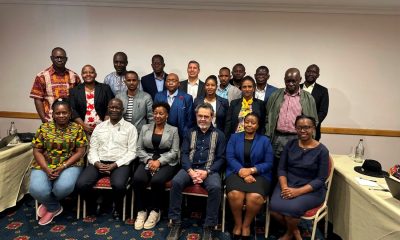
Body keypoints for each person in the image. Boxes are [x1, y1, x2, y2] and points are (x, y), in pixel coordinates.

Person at [167, 103, 226, 240]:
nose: (203, 119)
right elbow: (184, 154)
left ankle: (209, 226)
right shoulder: (190, 132)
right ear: (196, 116)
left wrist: (207, 171)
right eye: (200, 116)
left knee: (216, 187)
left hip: (210, 170)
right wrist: (191, 171)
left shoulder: (220, 135)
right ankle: (176, 223)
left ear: (212, 117)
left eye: (206, 116)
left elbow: (221, 158)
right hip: (190, 169)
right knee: (175, 182)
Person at [75, 98, 138, 220]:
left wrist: (115, 164)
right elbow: (92, 149)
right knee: (81, 184)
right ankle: (96, 204)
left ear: (122, 110)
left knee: (119, 185)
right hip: (99, 162)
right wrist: (96, 163)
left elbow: (132, 152)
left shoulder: (130, 128)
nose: (114, 110)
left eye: (117, 107)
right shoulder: (99, 127)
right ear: (108, 109)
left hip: (120, 163)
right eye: (111, 107)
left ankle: (117, 207)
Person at [270, 115, 329, 240]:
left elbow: (320, 179)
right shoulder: (290, 145)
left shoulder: (322, 150)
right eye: (299, 127)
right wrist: (285, 187)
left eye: (307, 127)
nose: (303, 131)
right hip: (288, 183)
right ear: (295, 129)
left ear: (313, 128)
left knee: (292, 208)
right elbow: (281, 169)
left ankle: (289, 234)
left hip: (311, 189)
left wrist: (297, 192)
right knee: (274, 208)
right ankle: (295, 230)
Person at [30, 99, 87, 225]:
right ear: (53, 114)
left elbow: (80, 152)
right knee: (36, 189)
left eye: (64, 112)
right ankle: (54, 207)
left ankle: (48, 203)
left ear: (70, 113)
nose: (61, 116)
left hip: (70, 164)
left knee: (63, 187)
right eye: (58, 113)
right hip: (45, 164)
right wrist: (46, 168)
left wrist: (63, 166)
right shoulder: (44, 128)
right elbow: (37, 151)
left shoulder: (77, 128)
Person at [226, 113, 273, 240]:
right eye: (247, 122)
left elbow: (269, 163)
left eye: (253, 123)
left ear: (258, 126)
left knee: (255, 196)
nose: (249, 125)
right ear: (243, 123)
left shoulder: (265, 141)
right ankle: (238, 224)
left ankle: (246, 225)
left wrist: (251, 170)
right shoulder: (234, 137)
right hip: (236, 172)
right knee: (235, 194)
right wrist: (242, 171)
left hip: (260, 174)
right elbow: (230, 157)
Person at [265, 68, 318, 181]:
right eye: (288, 81)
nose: (291, 84)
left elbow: (314, 121)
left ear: (300, 80)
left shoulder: (308, 98)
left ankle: (290, 192)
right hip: (277, 137)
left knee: (294, 167)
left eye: (294, 81)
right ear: (284, 80)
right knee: (275, 167)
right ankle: (274, 194)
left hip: (297, 138)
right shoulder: (275, 95)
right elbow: (267, 116)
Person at [133, 102, 180, 230]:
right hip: (148, 160)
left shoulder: (173, 130)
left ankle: (155, 211)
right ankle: (141, 211)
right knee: (138, 179)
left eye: (161, 113)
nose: (157, 116)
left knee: (157, 180)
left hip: (167, 162)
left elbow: (175, 152)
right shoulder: (145, 128)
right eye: (155, 113)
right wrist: (149, 160)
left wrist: (159, 161)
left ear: (167, 115)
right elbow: (139, 148)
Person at [30, 47, 81, 123]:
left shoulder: (74, 76)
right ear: (51, 58)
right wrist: (44, 120)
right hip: (50, 120)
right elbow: (37, 99)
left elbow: (79, 98)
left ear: (66, 59)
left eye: (62, 57)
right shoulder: (42, 76)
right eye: (57, 57)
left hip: (71, 121)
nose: (59, 60)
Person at [69, 65, 114, 135]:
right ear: (81, 75)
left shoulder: (105, 88)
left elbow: (111, 106)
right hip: (82, 129)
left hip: (103, 129)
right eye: (85, 72)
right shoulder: (74, 91)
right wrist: (83, 125)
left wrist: (105, 125)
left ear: (95, 74)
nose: (88, 74)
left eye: (91, 72)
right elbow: (72, 110)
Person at [154, 73, 193, 140]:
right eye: (168, 81)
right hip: (161, 134)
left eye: (173, 81)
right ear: (165, 83)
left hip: (181, 135)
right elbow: (155, 115)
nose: (171, 83)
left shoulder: (187, 97)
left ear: (178, 84)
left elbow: (190, 119)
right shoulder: (158, 96)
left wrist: (185, 133)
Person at [301, 64, 329, 141]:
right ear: (305, 73)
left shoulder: (323, 90)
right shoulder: (297, 87)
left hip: (312, 131)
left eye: (314, 72)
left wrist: (310, 125)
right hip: (294, 131)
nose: (310, 74)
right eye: (309, 71)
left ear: (318, 75)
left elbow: (323, 112)